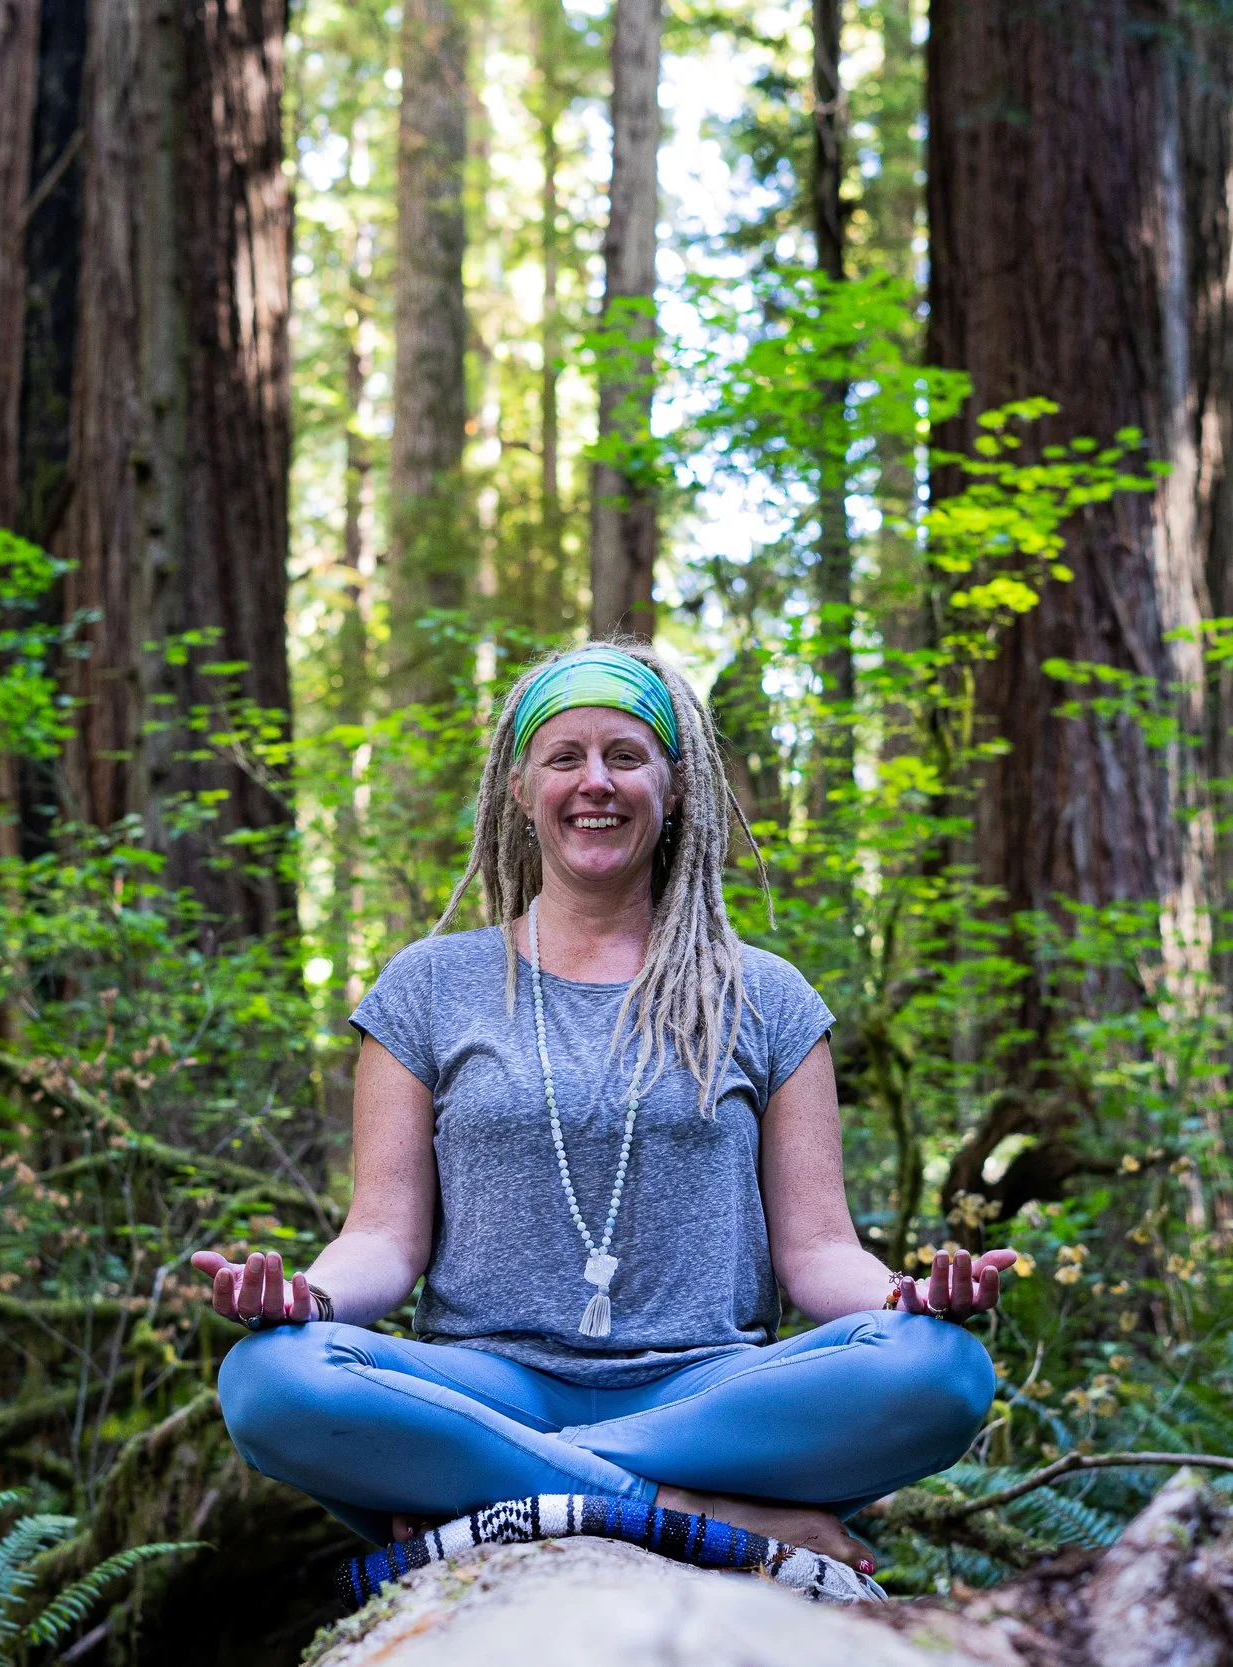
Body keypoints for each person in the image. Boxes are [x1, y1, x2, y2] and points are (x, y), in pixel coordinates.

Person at [195, 641, 1015, 1570]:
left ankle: (508, 1490)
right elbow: (384, 1237)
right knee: (270, 1377)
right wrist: (314, 1295)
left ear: (673, 785)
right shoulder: (428, 986)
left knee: (943, 1369)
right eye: (565, 757)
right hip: (486, 1384)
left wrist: (906, 1299)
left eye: (626, 755)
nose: (597, 782)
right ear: (520, 787)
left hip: (708, 1393)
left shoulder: (767, 996)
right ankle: (684, 1508)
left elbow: (819, 1252)